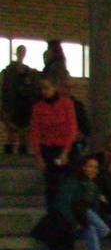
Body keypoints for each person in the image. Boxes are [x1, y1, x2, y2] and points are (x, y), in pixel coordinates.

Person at [28, 75, 77, 206]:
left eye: (46, 88)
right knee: (51, 185)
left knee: (68, 182)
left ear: (54, 88)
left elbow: (71, 128)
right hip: (48, 149)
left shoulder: (66, 103)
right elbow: (35, 132)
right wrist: (38, 155)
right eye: (41, 89)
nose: (44, 91)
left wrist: (65, 152)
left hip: (65, 148)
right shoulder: (38, 107)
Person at [54, 154, 110, 250]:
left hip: (85, 222)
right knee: (86, 211)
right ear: (83, 167)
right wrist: (74, 223)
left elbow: (96, 209)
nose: (93, 170)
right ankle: (107, 232)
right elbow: (63, 205)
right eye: (90, 166)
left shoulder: (95, 187)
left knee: (91, 228)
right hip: (68, 223)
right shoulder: (72, 183)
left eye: (95, 167)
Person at [1, 44, 38, 155]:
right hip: (12, 107)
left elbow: (32, 90)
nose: (21, 54)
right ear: (17, 53)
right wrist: (4, 109)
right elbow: (5, 91)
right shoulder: (8, 72)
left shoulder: (29, 72)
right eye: (20, 52)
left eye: (23, 52)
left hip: (25, 108)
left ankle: (23, 158)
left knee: (24, 136)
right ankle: (8, 159)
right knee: (11, 135)